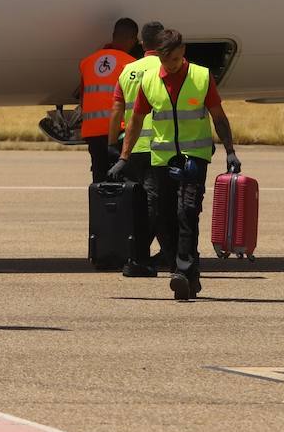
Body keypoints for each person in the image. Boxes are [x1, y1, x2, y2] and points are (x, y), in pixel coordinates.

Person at [109, 29, 241, 301]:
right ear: (159, 56)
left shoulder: (201, 77)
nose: (175, 64)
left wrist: (230, 151)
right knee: (163, 215)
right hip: (162, 158)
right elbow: (134, 121)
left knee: (187, 212)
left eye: (180, 58)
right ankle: (187, 273)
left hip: (195, 155)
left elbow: (218, 116)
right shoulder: (149, 81)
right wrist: (124, 157)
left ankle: (183, 272)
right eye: (170, 60)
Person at [106, 21, 170, 277]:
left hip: (133, 148)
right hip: (160, 146)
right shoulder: (168, 68)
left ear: (142, 43)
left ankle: (148, 252)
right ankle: (142, 254)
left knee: (139, 204)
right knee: (159, 203)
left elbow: (116, 111)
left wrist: (113, 144)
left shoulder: (127, 71)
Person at [77, 18, 138, 182]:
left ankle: (99, 208)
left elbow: (83, 99)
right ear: (132, 39)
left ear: (113, 36)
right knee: (121, 182)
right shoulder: (131, 64)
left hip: (93, 132)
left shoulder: (88, 62)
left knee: (99, 180)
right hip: (117, 131)